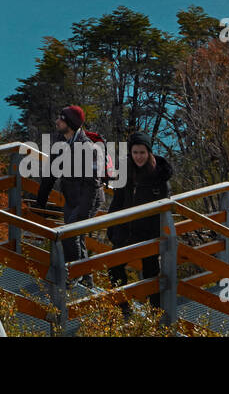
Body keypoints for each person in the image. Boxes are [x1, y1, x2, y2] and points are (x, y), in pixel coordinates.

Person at [33, 105, 106, 276]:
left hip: (89, 198)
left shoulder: (87, 148)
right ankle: (84, 279)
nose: (57, 121)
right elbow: (51, 173)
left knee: (70, 234)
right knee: (76, 239)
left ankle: (73, 276)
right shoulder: (60, 141)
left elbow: (93, 184)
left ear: (71, 124)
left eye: (62, 119)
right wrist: (40, 202)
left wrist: (84, 211)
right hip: (72, 197)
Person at [106, 132, 173, 313]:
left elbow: (164, 209)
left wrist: (158, 234)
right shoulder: (125, 171)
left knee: (151, 272)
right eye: (135, 152)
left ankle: (156, 312)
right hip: (125, 230)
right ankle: (123, 309)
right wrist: (111, 227)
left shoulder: (159, 177)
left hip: (148, 232)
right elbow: (117, 201)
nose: (139, 156)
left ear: (149, 152)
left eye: (142, 152)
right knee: (114, 267)